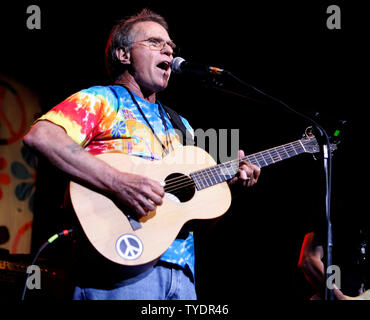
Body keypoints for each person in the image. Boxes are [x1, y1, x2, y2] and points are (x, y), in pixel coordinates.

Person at [23, 8, 261, 300]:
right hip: (117, 269)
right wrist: (117, 182)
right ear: (124, 55)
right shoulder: (101, 99)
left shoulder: (180, 125)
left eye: (171, 46)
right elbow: (42, 137)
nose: (169, 50)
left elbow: (192, 211)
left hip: (182, 276)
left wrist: (231, 184)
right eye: (154, 42)